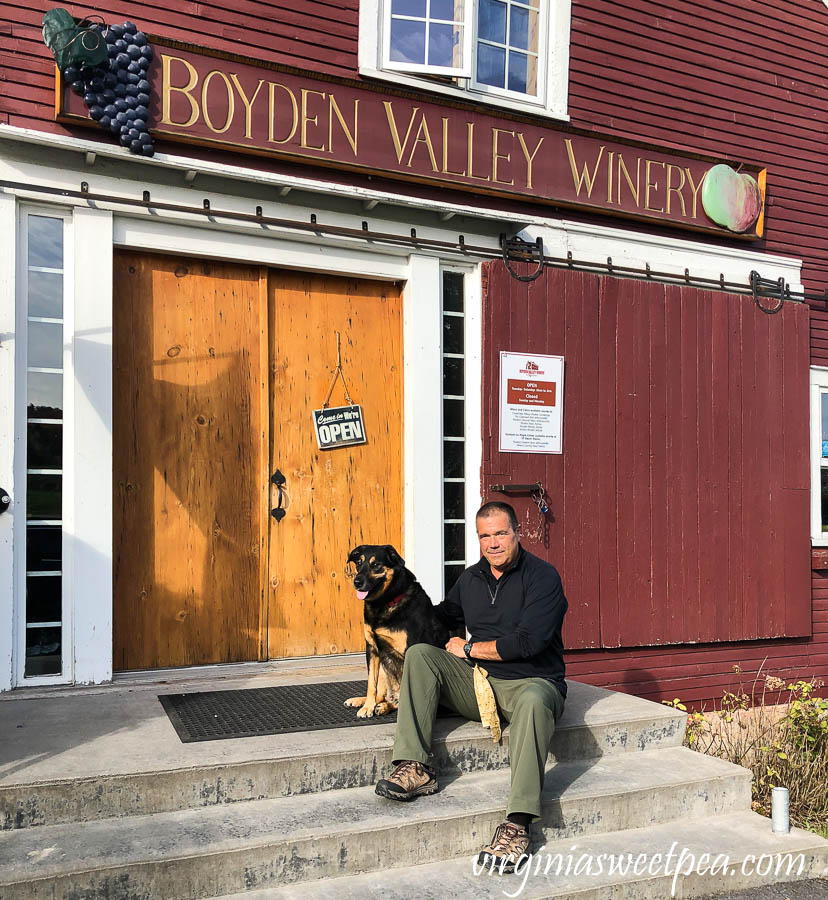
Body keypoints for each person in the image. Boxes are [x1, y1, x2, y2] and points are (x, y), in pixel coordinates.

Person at [374, 500, 568, 873]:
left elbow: (527, 643)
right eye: (484, 536)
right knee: (420, 655)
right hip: (480, 685)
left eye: (500, 533)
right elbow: (441, 616)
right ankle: (416, 765)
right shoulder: (472, 579)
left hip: (532, 684)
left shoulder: (543, 578)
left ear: (516, 533)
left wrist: (467, 648)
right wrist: (398, 595)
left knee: (532, 701)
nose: (493, 543)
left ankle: (518, 824)